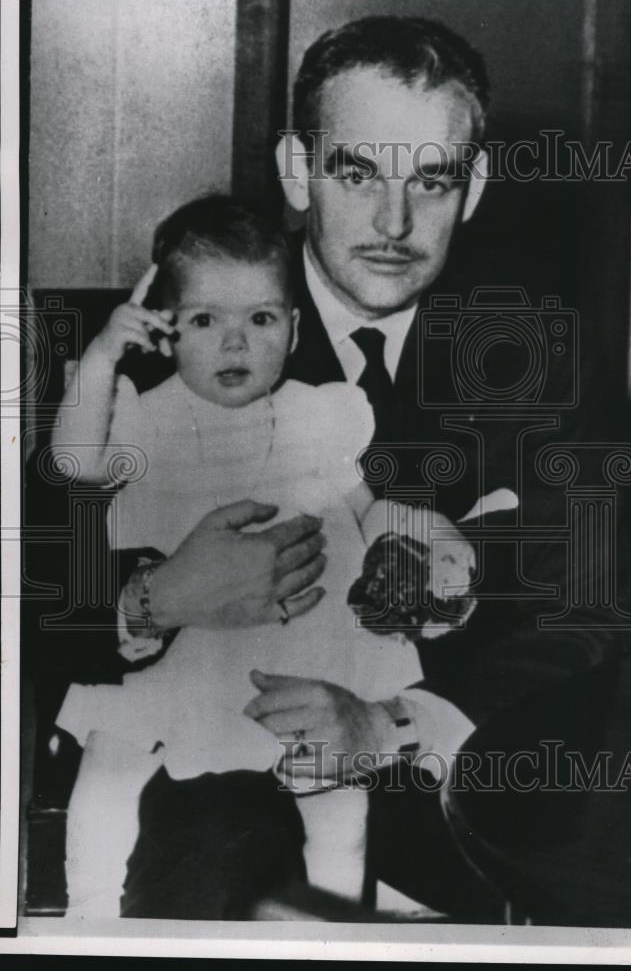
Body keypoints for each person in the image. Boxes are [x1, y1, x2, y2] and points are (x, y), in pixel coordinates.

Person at [32, 16, 631, 919]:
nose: (393, 223)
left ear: (471, 187)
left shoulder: (535, 355)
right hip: (187, 829)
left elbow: (594, 604)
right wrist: (153, 598)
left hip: (446, 842)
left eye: (430, 180)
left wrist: (390, 726)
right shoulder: (150, 345)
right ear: (295, 171)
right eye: (356, 173)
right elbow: (26, 584)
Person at [50, 195, 480, 916]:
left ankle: (333, 915)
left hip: (303, 646)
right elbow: (72, 464)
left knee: (336, 802)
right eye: (204, 321)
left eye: (260, 319)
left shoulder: (319, 413)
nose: (234, 344)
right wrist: (101, 356)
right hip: (181, 650)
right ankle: (87, 911)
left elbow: (360, 503)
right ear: (166, 331)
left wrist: (414, 535)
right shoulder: (145, 418)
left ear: (293, 326)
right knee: (108, 772)